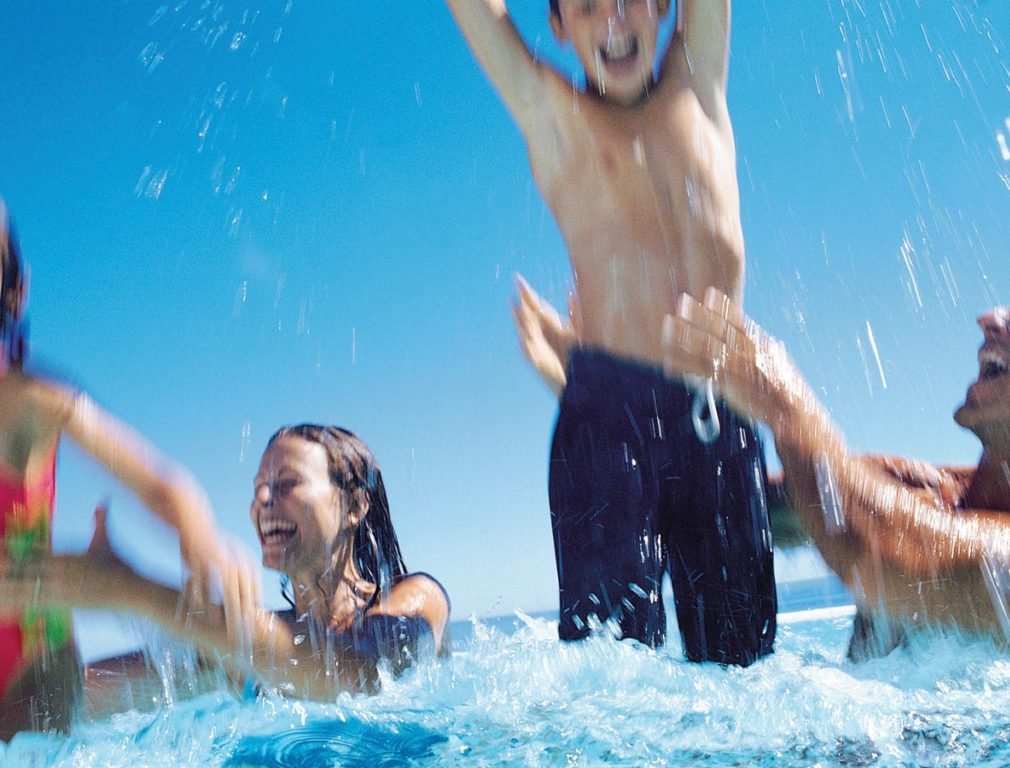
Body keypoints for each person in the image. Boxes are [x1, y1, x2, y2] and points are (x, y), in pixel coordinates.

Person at [446, 0, 776, 665]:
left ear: (664, 9)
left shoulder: (698, 83)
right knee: (614, 677)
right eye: (587, 8)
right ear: (561, 30)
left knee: (748, 667)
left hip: (724, 411)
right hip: (606, 424)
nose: (613, 19)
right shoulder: (553, 118)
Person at [0, 206, 258, 739]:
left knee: (32, 730)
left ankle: (214, 659)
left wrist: (202, 540)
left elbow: (161, 483)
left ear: (14, 292)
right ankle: (199, 666)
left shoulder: (31, 401)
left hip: (34, 657)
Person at [661, 287, 1010, 657]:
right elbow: (744, 512)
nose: (989, 318)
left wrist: (784, 403)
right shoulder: (921, 493)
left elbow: (886, 555)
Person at [0, 424, 450, 700]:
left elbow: (365, 673)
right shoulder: (236, 652)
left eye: (287, 483)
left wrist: (132, 591)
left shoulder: (419, 598)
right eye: (258, 486)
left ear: (354, 505)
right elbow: (79, 699)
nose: (260, 500)